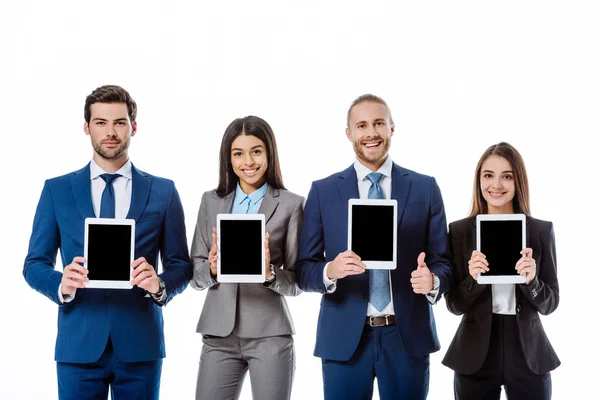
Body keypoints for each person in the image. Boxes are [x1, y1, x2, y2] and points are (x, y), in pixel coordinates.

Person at [23, 85, 192, 400]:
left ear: (133, 126)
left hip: (141, 344)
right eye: (101, 122)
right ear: (86, 127)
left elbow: (180, 265)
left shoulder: (163, 191)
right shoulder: (56, 191)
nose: (110, 131)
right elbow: (34, 264)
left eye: (119, 122)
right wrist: (62, 284)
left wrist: (159, 285)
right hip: (78, 345)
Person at [296, 94, 453, 399]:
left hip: (406, 336)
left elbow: (444, 262)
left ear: (392, 128)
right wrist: (331, 270)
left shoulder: (425, 187)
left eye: (379, 123)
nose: (371, 133)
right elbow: (304, 269)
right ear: (349, 134)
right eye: (362, 125)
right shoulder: (323, 191)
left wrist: (433, 281)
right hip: (344, 337)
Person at [190, 115, 304, 400]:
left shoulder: (292, 205)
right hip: (218, 333)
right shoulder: (210, 201)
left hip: (270, 333)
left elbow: (298, 280)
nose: (248, 161)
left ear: (269, 153)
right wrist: (212, 270)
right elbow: (195, 271)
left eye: (256, 151)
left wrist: (270, 274)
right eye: (238, 153)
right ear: (228, 158)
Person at [443, 142, 560, 400]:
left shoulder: (541, 231)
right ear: (479, 181)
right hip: (475, 352)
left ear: (518, 181)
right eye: (488, 175)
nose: (496, 185)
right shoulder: (460, 232)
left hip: (528, 351)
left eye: (507, 176)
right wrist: (473, 279)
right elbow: (454, 304)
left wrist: (533, 282)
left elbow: (551, 304)